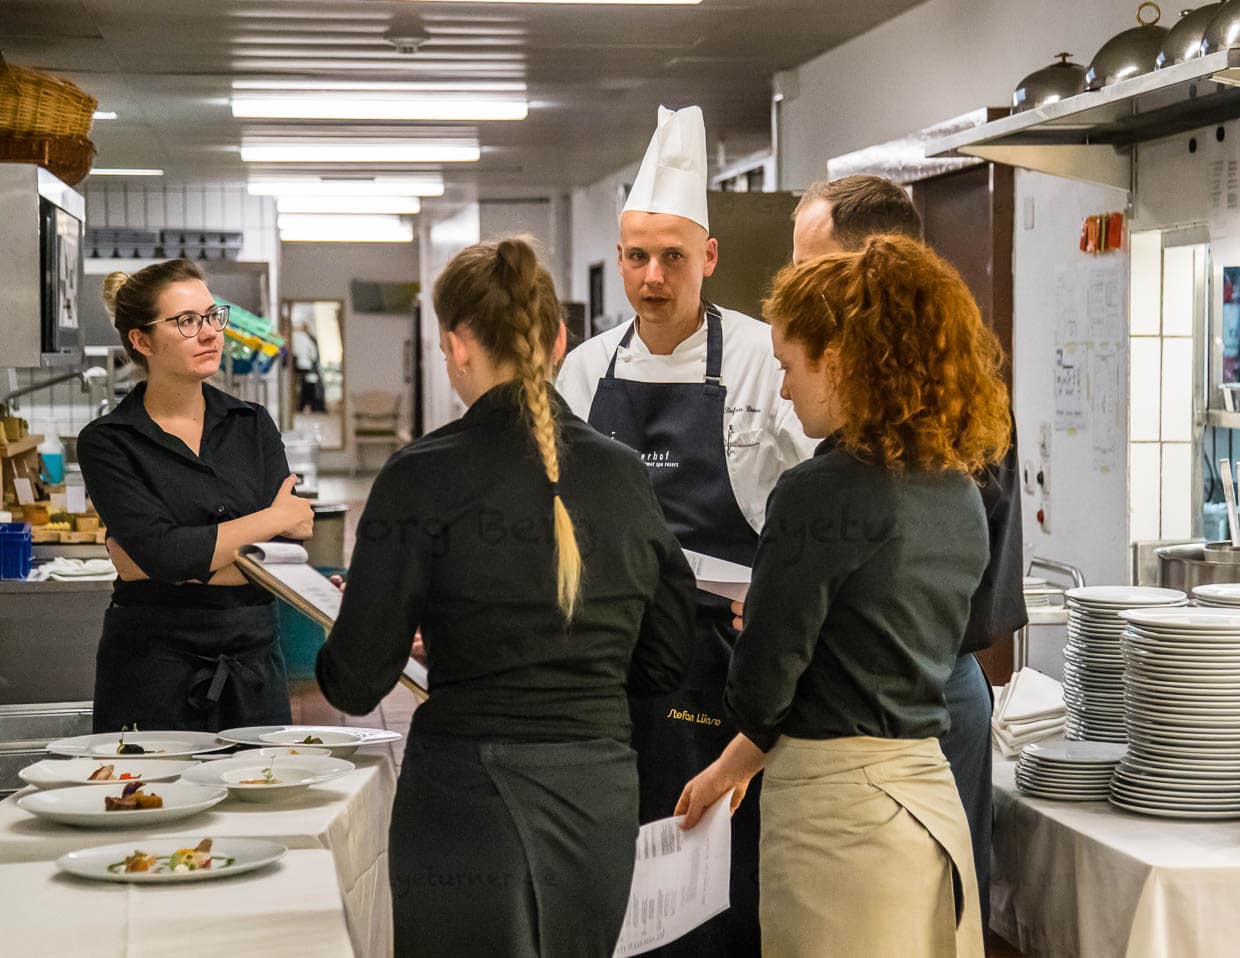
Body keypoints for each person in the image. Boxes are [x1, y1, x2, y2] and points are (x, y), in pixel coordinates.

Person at [316, 237, 698, 958]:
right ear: (557, 340)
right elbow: (667, 655)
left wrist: (385, 624)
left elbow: (358, 678)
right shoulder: (623, 475)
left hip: (467, 797)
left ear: (457, 347)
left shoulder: (419, 477)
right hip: (599, 796)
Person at [676, 235, 1012, 958]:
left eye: (790, 366)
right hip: (926, 807)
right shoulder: (957, 490)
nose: (786, 388)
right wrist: (729, 769)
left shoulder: (816, 492)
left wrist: (762, 611)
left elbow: (761, 689)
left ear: (841, 361)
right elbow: (862, 660)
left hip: (840, 825)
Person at [556, 105, 814, 958]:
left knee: (722, 883)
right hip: (610, 660)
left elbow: (818, 494)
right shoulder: (584, 369)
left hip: (725, 662)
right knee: (615, 867)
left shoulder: (758, 357)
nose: (653, 277)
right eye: (637, 256)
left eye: (673, 256)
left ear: (708, 257)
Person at [791, 174, 1028, 924]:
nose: (795, 282)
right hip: (903, 689)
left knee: (924, 917)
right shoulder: (841, 383)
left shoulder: (945, 396)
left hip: (914, 698)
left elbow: (955, 592)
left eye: (811, 265)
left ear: (868, 270)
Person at [77, 259, 312, 733]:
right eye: (186, 322)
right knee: (147, 801)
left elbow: (291, 550)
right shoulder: (109, 441)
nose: (209, 333)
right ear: (142, 341)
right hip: (154, 671)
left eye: (211, 316)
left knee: (264, 803)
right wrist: (272, 518)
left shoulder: (252, 425)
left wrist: (169, 562)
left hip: (254, 668)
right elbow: (167, 554)